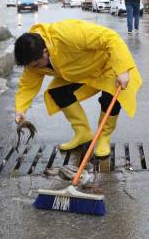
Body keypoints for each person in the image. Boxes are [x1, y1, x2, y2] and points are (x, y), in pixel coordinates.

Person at [13, 20, 142, 157]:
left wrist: (122, 70)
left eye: (38, 64)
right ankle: (83, 133)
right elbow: (27, 85)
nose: (36, 69)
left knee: (110, 98)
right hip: (82, 73)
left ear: (45, 51)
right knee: (57, 92)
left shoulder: (67, 34)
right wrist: (20, 109)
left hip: (107, 64)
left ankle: (104, 137)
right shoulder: (33, 61)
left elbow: (111, 38)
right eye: (32, 66)